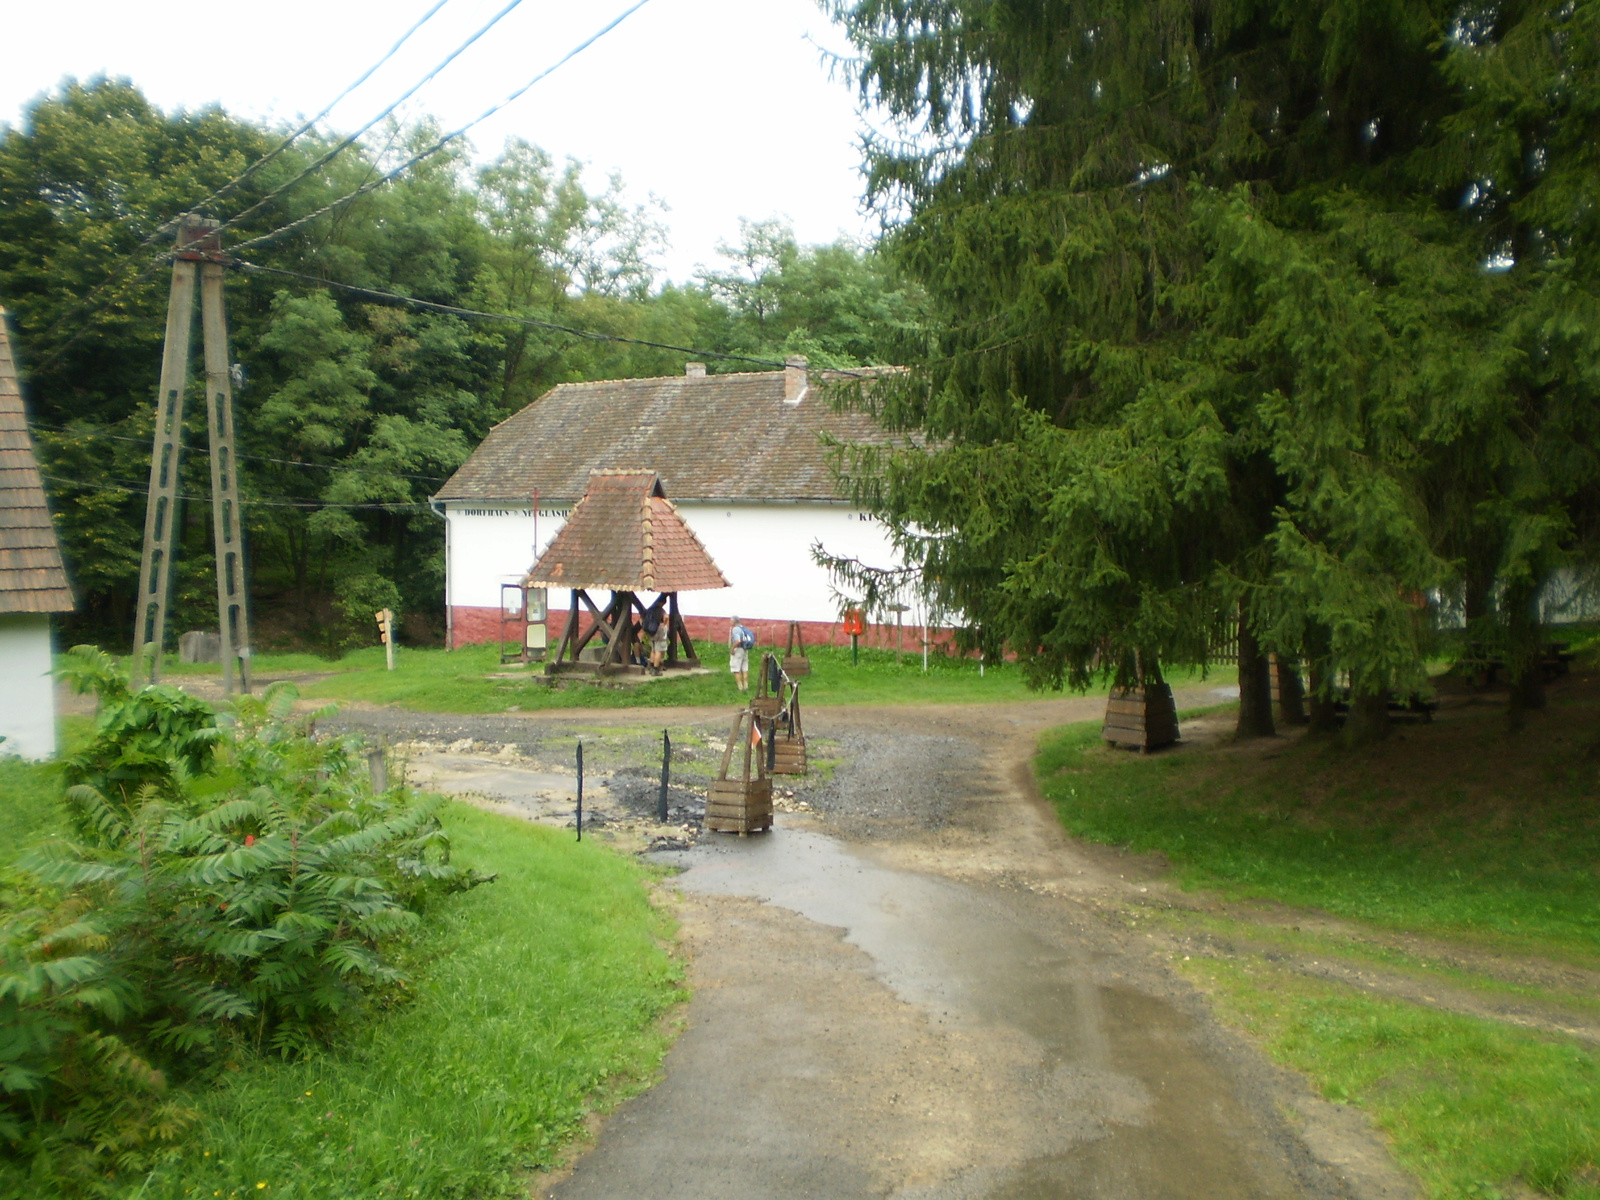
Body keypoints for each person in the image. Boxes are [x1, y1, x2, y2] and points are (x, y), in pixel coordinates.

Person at [643, 597, 668, 674]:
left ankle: (651, 666)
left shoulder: (651, 609)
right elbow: (666, 617)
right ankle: (656, 669)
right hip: (658, 631)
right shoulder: (661, 610)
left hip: (651, 631)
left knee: (653, 650)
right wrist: (664, 623)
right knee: (658, 650)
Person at [728, 615, 753, 691]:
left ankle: (740, 687)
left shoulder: (735, 629)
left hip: (738, 649)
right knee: (744, 668)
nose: (730, 622)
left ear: (734, 621)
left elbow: (738, 640)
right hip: (745, 649)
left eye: (731, 620)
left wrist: (732, 649)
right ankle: (746, 686)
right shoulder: (743, 628)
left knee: (736, 668)